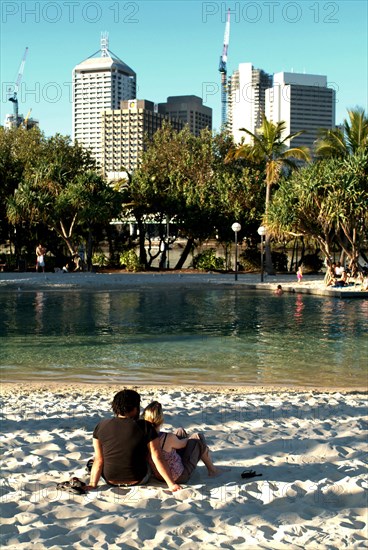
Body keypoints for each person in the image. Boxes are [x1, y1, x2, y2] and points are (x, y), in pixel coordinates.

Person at [85, 390, 181, 493]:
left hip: (109, 480)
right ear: (135, 408)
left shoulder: (101, 426)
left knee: (95, 459)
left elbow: (99, 460)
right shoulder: (145, 426)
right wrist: (171, 484)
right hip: (138, 479)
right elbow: (157, 457)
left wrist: (92, 484)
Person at [143, 401, 226, 483]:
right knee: (198, 438)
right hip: (179, 477)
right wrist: (190, 438)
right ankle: (212, 470)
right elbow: (183, 444)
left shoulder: (143, 436)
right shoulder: (167, 437)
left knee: (180, 431)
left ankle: (206, 458)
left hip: (158, 475)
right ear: (161, 420)